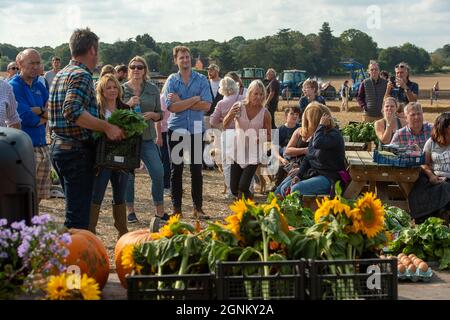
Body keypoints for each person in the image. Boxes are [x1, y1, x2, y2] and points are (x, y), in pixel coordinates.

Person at [49, 28, 125, 230]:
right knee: (78, 219)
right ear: (92, 50)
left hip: (58, 147)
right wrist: (107, 126)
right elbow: (72, 110)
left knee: (73, 210)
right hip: (76, 152)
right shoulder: (81, 75)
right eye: (97, 51)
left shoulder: (60, 74)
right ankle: (76, 261)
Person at [164, 45, 212, 219]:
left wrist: (181, 101)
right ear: (176, 60)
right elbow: (171, 107)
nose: (185, 60)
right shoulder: (171, 80)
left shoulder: (201, 79)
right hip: (177, 128)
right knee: (176, 169)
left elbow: (207, 105)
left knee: (196, 169)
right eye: (181, 57)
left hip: (197, 130)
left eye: (187, 57)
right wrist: (193, 99)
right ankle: (177, 208)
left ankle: (197, 208)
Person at [122, 56, 165, 230]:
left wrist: (154, 116)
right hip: (128, 139)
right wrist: (128, 104)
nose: (136, 70)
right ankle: (130, 211)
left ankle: (160, 211)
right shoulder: (121, 89)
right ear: (129, 69)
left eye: (140, 67)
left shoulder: (153, 89)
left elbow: (160, 113)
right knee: (129, 177)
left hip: (147, 138)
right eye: (133, 67)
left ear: (145, 70)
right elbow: (113, 112)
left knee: (158, 172)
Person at [275, 103, 345, 198]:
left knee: (295, 190)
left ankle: (299, 212)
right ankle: (284, 211)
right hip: (315, 173)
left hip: (329, 177)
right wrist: (298, 175)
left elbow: (317, 144)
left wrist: (320, 126)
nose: (306, 122)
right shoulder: (317, 134)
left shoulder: (333, 134)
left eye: (308, 119)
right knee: (281, 190)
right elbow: (308, 158)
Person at [89, 74, 130, 238]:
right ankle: (90, 231)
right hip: (102, 160)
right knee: (96, 194)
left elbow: (133, 134)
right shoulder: (96, 109)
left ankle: (122, 231)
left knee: (120, 195)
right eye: (108, 88)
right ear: (102, 90)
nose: (112, 90)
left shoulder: (126, 109)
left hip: (122, 159)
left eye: (115, 87)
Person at [9, 49, 51, 204]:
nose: (35, 66)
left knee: (39, 193)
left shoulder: (40, 86)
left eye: (38, 63)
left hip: (42, 144)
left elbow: (53, 112)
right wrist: (43, 114)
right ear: (20, 64)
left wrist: (39, 111)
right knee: (23, 195)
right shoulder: (13, 86)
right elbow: (25, 117)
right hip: (24, 147)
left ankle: (31, 223)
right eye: (31, 63)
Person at [223, 80, 272, 200]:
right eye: (256, 94)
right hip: (237, 149)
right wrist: (230, 115)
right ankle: (248, 205)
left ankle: (247, 209)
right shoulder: (239, 107)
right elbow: (225, 124)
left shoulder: (265, 113)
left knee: (243, 185)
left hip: (254, 152)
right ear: (249, 93)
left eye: (261, 94)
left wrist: (258, 139)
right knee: (234, 188)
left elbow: (270, 135)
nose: (259, 97)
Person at [408, 112, 450, 224]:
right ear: (443, 129)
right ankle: (431, 218)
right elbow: (424, 163)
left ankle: (442, 216)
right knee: (422, 189)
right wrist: (431, 175)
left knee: (446, 187)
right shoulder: (431, 143)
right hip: (434, 177)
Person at [209, 76, 245, 198]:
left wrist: (221, 119)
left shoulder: (221, 103)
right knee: (244, 162)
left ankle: (231, 191)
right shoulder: (243, 99)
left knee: (228, 164)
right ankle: (246, 189)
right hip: (244, 133)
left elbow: (213, 122)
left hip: (228, 134)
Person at [272, 106, 301, 188]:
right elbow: (275, 149)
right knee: (281, 167)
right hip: (282, 157)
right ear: (286, 116)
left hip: (297, 157)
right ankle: (277, 187)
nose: (295, 116)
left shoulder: (301, 129)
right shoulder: (280, 130)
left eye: (297, 114)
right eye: (292, 114)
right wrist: (281, 159)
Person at [156, 82, 172, 196]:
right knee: (166, 160)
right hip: (164, 132)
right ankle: (165, 185)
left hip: (172, 131)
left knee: (170, 160)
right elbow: (158, 119)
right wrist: (159, 136)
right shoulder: (163, 98)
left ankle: (169, 184)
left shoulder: (174, 98)